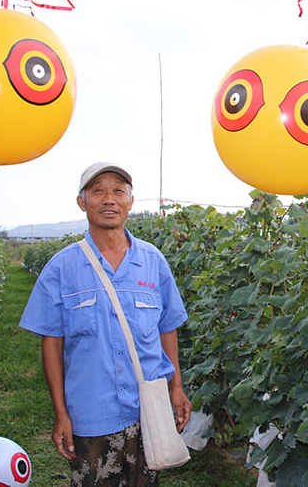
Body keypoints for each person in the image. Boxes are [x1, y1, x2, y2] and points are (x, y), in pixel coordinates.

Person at [19, 162, 192, 487]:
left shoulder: (153, 262)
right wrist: (61, 413)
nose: (108, 199)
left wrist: (176, 387)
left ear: (130, 201)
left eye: (118, 191)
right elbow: (51, 344)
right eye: (97, 191)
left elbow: (167, 327)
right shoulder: (62, 268)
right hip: (91, 414)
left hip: (147, 413)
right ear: (82, 202)